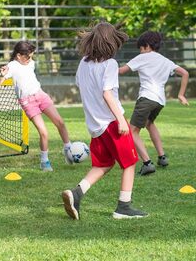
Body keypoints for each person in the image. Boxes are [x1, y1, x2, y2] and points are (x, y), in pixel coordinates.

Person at [62, 22, 148, 220]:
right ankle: (123, 207)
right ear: (111, 42)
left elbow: (79, 84)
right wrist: (121, 120)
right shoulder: (109, 64)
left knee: (103, 164)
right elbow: (107, 94)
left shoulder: (84, 62)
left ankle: (75, 194)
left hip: (95, 126)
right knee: (130, 163)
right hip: (111, 122)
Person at [0, 41, 74, 171]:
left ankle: (68, 150)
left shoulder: (31, 63)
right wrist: (1, 76)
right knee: (43, 132)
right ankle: (44, 161)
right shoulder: (12, 66)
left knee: (60, 122)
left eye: (31, 56)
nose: (30, 59)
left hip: (40, 95)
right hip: (27, 102)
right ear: (19, 56)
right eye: (28, 56)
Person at [119, 31, 189, 175]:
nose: (140, 50)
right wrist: (181, 95)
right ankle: (162, 157)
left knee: (132, 132)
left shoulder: (142, 57)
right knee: (149, 124)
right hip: (159, 100)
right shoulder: (165, 60)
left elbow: (121, 71)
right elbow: (185, 73)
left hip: (146, 98)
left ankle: (147, 163)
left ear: (146, 46)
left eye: (141, 47)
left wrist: (104, 67)